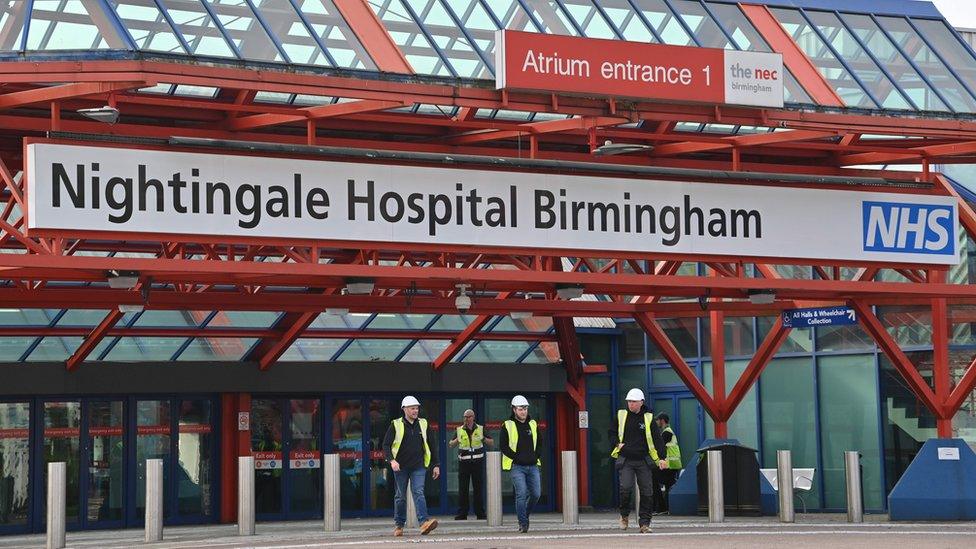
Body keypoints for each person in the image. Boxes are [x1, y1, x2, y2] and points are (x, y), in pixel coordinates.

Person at [610, 388, 667, 534]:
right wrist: (617, 444)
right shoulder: (621, 415)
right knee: (625, 489)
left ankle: (644, 524)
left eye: (634, 402)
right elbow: (611, 432)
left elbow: (657, 439)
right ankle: (624, 516)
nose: (631, 404)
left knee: (647, 492)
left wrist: (662, 458)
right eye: (629, 401)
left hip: (643, 460)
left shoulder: (648, 418)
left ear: (641, 402)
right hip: (626, 459)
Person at [382, 395, 440, 537]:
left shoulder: (424, 424)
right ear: (404, 409)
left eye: (417, 408)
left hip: (418, 465)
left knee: (418, 492)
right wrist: (392, 461)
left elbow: (432, 445)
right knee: (400, 496)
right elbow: (386, 445)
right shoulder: (395, 424)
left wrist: (436, 465)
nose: (415, 411)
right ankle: (399, 525)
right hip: (400, 467)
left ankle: (424, 523)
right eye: (412, 408)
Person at [499, 395, 541, 533]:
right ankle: (523, 523)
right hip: (517, 466)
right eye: (520, 409)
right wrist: (516, 457)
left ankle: (525, 515)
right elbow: (503, 446)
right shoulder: (507, 425)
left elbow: (540, 442)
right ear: (514, 409)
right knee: (521, 493)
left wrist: (536, 456)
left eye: (525, 408)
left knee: (536, 494)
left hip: (533, 465)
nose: (523, 411)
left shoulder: (533, 424)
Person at [449, 408, 493, 520]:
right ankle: (462, 513)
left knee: (478, 489)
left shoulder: (480, 429)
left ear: (473, 417)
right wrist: (456, 441)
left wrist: (483, 438)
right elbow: (450, 444)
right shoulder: (459, 430)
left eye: (468, 416)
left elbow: (491, 442)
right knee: (463, 489)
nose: (466, 419)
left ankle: (480, 513)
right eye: (464, 417)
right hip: (464, 463)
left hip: (477, 463)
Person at [653, 412, 682, 515]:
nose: (656, 422)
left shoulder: (666, 433)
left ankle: (661, 507)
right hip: (672, 465)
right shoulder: (668, 432)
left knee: (654, 479)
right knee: (669, 484)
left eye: (657, 420)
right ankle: (666, 507)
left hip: (670, 465)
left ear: (662, 420)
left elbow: (658, 446)